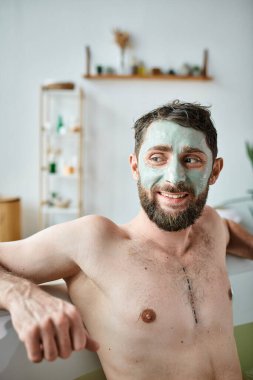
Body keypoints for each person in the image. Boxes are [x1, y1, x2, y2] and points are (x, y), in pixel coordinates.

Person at [0, 100, 252, 380]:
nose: (174, 178)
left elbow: (231, 230)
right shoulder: (95, 241)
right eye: (157, 157)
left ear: (214, 171)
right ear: (135, 166)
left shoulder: (212, 225)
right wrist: (21, 296)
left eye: (192, 159)